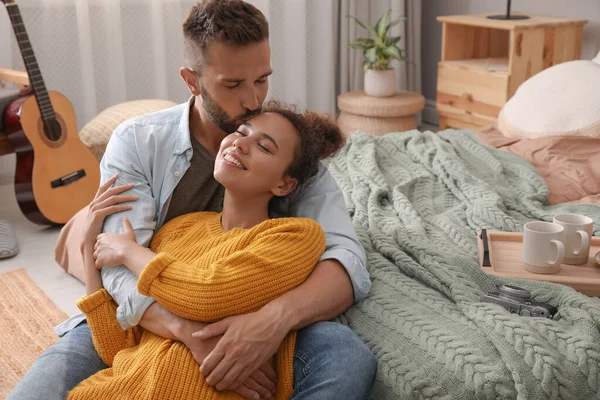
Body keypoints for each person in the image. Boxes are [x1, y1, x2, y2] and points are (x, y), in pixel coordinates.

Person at [8, 1, 375, 399]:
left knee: (346, 354)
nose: (253, 101)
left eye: (263, 79)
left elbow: (346, 260)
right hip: (142, 318)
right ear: (192, 80)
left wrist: (271, 321)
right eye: (232, 85)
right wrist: (189, 334)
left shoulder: (290, 156)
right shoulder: (138, 142)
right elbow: (117, 269)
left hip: (246, 312)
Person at [69, 101, 346, 400]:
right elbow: (117, 347)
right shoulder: (180, 229)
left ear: (284, 185)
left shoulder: (294, 236)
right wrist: (88, 248)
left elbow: (206, 294)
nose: (240, 144)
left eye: (264, 147)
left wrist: (129, 252)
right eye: (241, 132)